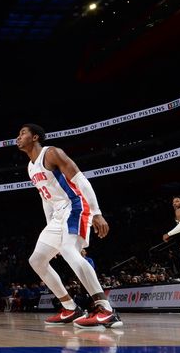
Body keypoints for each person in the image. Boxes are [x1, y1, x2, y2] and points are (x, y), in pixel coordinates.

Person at [16, 123, 122, 329]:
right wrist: (51, 231)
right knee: (37, 260)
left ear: (35, 137)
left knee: (68, 251)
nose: (18, 137)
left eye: (22, 133)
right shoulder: (30, 167)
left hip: (75, 206)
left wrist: (97, 212)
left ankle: (106, 310)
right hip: (58, 216)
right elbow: (45, 199)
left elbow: (80, 179)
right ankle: (70, 308)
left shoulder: (52, 153)